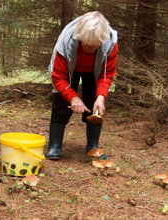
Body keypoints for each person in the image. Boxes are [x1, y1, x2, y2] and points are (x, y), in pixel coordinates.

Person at [46, 11, 118, 160]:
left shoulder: (110, 42)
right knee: (61, 102)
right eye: (87, 45)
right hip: (69, 70)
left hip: (94, 72)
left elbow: (106, 74)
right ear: (79, 38)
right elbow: (58, 77)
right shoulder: (66, 41)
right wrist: (73, 98)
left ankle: (92, 146)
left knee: (94, 104)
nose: (90, 49)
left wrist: (101, 97)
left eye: (95, 46)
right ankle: (54, 145)